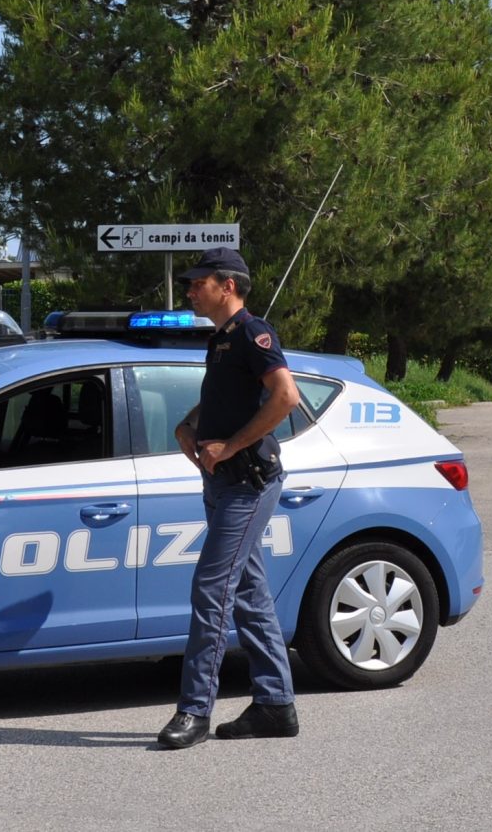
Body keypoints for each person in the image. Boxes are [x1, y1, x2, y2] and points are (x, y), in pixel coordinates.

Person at [156, 247, 302, 750]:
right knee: (248, 593)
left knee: (212, 588)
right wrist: (190, 424)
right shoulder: (220, 339)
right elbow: (225, 397)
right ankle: (275, 706)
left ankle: (194, 711)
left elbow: (286, 396)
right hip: (220, 482)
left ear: (228, 286)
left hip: (247, 482)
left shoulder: (253, 333)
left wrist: (231, 446)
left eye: (199, 283)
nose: (191, 291)